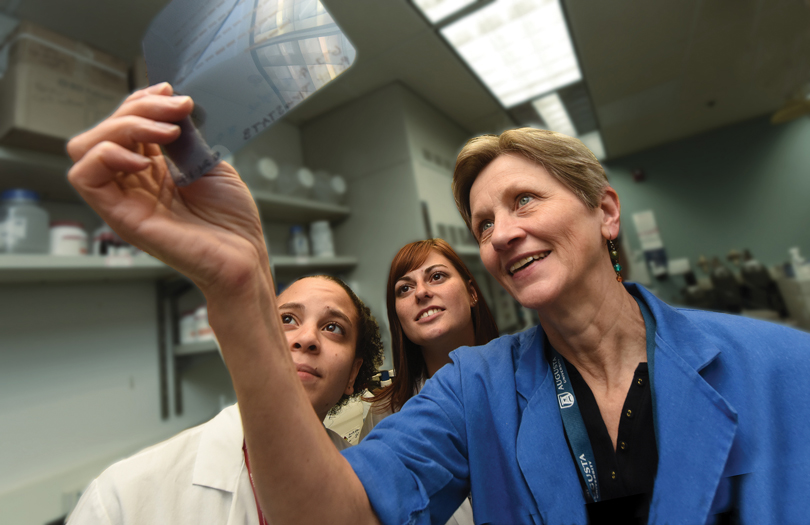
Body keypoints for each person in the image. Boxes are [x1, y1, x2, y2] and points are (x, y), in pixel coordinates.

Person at [68, 84, 810, 525]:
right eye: (484, 222)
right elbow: (335, 513)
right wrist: (240, 291)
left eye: (524, 200)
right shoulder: (474, 387)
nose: (503, 231)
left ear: (606, 210)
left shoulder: (781, 365)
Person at [67, 274, 384, 525]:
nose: (306, 339)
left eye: (333, 328)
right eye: (287, 320)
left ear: (353, 375)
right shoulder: (123, 498)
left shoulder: (367, 484)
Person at [359, 239, 498, 525]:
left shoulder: (524, 376)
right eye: (404, 288)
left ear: (472, 293)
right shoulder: (385, 413)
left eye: (437, 276)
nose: (421, 292)